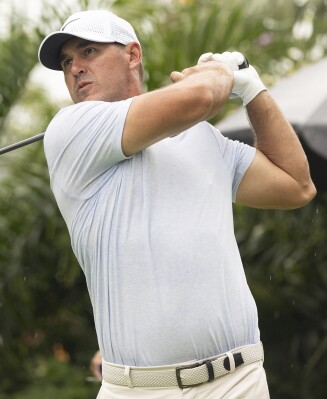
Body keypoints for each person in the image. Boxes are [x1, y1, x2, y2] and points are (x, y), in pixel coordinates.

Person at [38, 9, 316, 398]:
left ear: (132, 55)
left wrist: (252, 90)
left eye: (88, 52)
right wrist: (222, 72)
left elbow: (296, 184)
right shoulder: (71, 130)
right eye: (67, 62)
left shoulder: (205, 139)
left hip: (238, 382)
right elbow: (201, 95)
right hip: (138, 390)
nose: (75, 68)